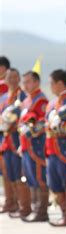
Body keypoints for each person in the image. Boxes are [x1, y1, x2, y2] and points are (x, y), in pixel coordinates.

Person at [46, 69, 66, 226]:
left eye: (51, 83)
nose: (50, 86)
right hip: (51, 148)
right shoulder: (53, 102)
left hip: (65, 147)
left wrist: (60, 127)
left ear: (59, 83)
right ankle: (64, 212)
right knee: (54, 183)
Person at [16, 71, 49, 221]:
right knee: (30, 178)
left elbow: (43, 122)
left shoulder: (40, 100)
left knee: (39, 177)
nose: (25, 85)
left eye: (28, 82)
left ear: (36, 82)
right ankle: (34, 207)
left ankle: (41, 211)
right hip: (26, 145)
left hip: (36, 144)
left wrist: (32, 130)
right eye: (24, 82)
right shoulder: (27, 100)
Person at [0, 68, 27, 214]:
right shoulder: (3, 97)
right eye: (9, 77)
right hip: (4, 139)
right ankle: (10, 202)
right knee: (7, 172)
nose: (12, 80)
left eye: (15, 77)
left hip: (17, 140)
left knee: (19, 172)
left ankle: (22, 204)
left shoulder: (22, 96)